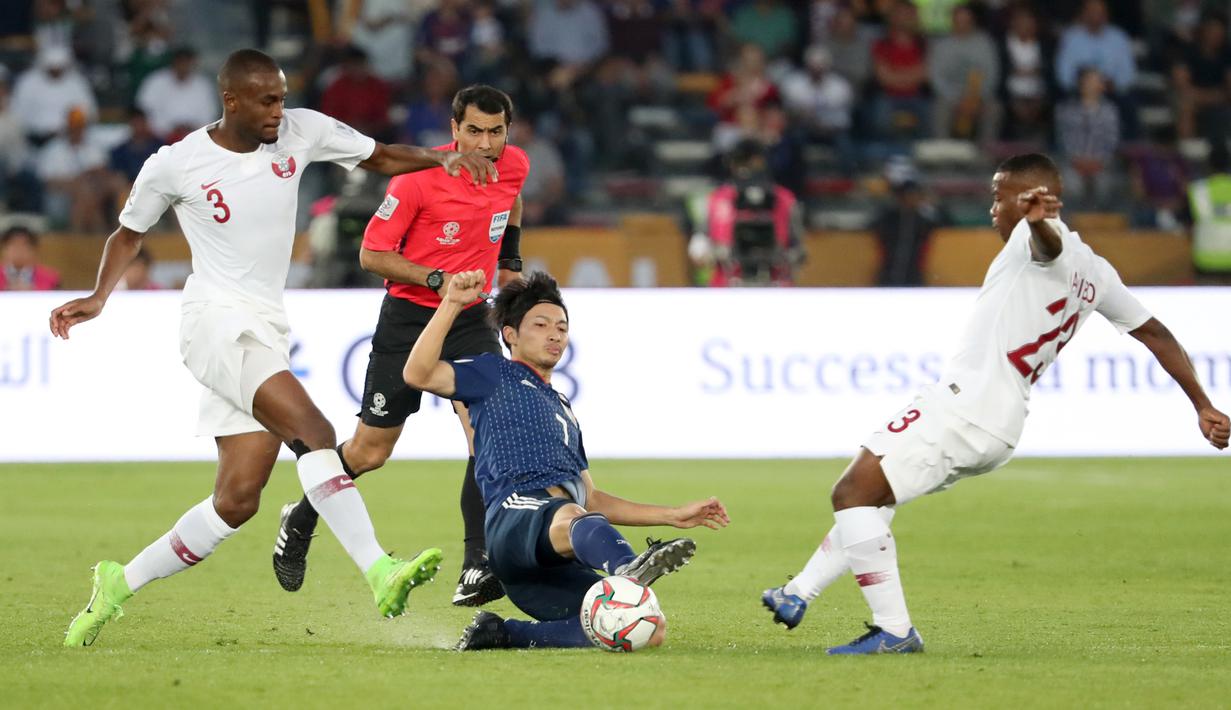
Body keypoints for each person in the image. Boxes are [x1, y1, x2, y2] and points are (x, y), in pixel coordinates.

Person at [51, 48, 497, 648]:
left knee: (235, 502)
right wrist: (100, 296)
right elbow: (128, 234)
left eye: (282, 97)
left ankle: (117, 584)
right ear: (230, 99)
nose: (277, 111)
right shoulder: (176, 164)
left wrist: (447, 159)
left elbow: (383, 156)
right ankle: (379, 569)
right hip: (214, 321)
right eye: (265, 100)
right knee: (313, 432)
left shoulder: (301, 130)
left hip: (265, 324)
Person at [761, 153, 1230, 654]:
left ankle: (894, 631)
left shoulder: (1034, 242)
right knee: (874, 498)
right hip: (1000, 421)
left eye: (998, 195)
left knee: (851, 492)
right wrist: (1202, 404)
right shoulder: (1097, 270)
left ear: (1030, 200)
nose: (991, 207)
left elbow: (1047, 248)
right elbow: (1155, 333)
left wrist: (1038, 224)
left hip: (967, 406)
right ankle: (797, 593)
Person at [272, 84, 528, 608]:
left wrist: (512, 264)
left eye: (495, 132)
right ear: (454, 130)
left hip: (469, 319)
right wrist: (438, 280)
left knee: (488, 432)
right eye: (474, 131)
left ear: (508, 132)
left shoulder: (515, 165)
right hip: (409, 318)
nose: (484, 144)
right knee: (370, 452)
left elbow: (513, 201)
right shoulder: (416, 180)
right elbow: (372, 254)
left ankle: (477, 564)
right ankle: (299, 519)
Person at [397, 270, 729, 650]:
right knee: (573, 516)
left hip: (551, 559)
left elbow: (592, 499)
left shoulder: (564, 409)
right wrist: (452, 303)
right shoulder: (493, 374)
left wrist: (671, 514)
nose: (554, 334)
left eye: (562, 327)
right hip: (513, 520)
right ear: (511, 335)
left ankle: (504, 634)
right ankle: (628, 567)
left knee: (646, 628)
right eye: (540, 324)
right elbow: (417, 372)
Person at [0, 225, 60, 291]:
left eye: (24, 246)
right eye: (13, 245)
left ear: (33, 250)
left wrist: (33, 292)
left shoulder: (50, 278)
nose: (18, 250)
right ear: (3, 249)